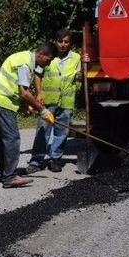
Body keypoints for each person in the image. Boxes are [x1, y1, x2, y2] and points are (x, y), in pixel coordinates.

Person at [0, 44, 57, 188]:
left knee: (2, 140)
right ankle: (9, 177)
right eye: (48, 60)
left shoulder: (24, 57)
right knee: (12, 139)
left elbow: (17, 89)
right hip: (2, 101)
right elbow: (24, 92)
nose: (48, 63)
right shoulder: (25, 64)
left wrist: (24, 106)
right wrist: (42, 110)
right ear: (41, 54)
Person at [26, 29, 81, 174]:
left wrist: (86, 64)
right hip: (48, 101)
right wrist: (39, 92)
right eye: (60, 41)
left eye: (66, 42)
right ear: (56, 42)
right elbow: (38, 75)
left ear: (70, 43)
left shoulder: (76, 58)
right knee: (43, 131)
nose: (63, 45)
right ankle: (36, 161)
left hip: (66, 102)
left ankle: (55, 159)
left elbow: (80, 76)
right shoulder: (49, 56)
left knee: (61, 132)